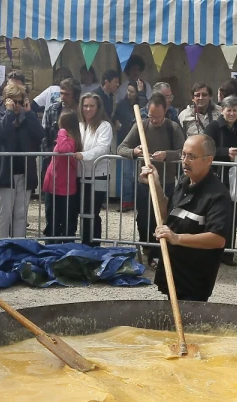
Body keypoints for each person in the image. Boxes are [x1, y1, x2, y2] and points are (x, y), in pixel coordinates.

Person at [140, 134, 233, 301]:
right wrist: (156, 184)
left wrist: (177, 238)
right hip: (173, 272)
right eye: (183, 155)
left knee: (190, 318)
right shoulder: (184, 183)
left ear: (208, 160)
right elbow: (167, 215)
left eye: (191, 156)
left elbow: (218, 239)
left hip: (194, 279)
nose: (185, 161)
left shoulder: (217, 195)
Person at [118, 92, 185, 265]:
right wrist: (135, 152)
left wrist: (167, 155)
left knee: (161, 218)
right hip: (144, 181)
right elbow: (121, 148)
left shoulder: (173, 127)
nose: (153, 120)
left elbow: (183, 152)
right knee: (143, 217)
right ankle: (146, 247)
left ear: (165, 111)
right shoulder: (141, 125)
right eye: (150, 116)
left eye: (158, 117)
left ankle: (158, 253)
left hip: (165, 181)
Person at [0, 82, 42, 240]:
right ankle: (2, 245)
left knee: (20, 214)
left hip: (24, 172)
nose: (17, 105)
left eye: (20, 101)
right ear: (6, 100)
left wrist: (30, 114)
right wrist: (9, 113)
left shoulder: (27, 116)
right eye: (14, 101)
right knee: (4, 214)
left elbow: (40, 134)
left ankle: (19, 246)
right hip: (4, 172)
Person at [207, 95, 237, 264]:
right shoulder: (213, 127)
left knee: (232, 215)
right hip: (216, 176)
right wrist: (226, 152)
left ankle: (228, 252)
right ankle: (212, 251)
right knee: (215, 214)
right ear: (222, 110)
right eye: (229, 110)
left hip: (235, 178)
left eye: (235, 110)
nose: (232, 113)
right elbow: (207, 149)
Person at [78, 91, 113, 244]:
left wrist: (83, 155)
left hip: (99, 174)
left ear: (98, 108)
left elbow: (102, 148)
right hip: (80, 174)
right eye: (85, 105)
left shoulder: (105, 126)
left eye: (92, 106)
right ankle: (84, 243)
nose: (88, 109)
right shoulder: (79, 125)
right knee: (83, 211)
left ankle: (93, 245)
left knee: (93, 211)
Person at [43, 111, 81, 239]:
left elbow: (63, 149)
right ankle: (52, 243)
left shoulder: (70, 139)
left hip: (64, 186)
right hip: (54, 184)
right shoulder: (68, 138)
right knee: (52, 220)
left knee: (65, 221)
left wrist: (62, 132)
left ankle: (63, 244)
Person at [115, 81, 141, 211]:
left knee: (138, 175)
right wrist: (116, 122)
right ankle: (126, 201)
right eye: (128, 90)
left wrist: (142, 94)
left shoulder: (141, 104)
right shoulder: (122, 104)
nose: (129, 93)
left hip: (139, 144)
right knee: (126, 175)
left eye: (132, 91)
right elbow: (114, 116)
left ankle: (138, 201)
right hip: (125, 144)